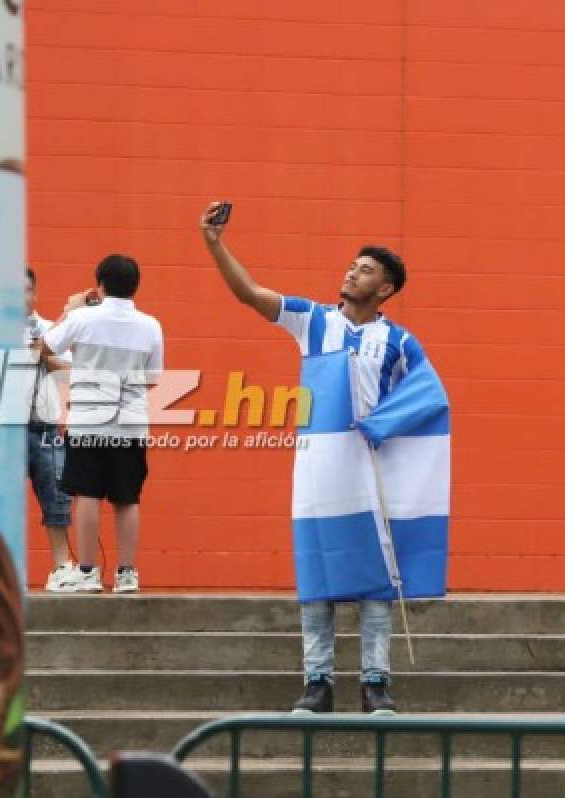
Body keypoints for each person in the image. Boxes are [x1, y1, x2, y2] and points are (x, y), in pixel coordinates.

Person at [200, 202, 430, 715]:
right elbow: (249, 294)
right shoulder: (313, 321)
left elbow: (426, 399)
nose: (352, 271)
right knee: (318, 574)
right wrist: (215, 244)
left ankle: (375, 682)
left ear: (386, 289)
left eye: (366, 269)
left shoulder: (401, 341)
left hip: (373, 473)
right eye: (353, 265)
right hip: (318, 470)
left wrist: (384, 424)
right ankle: (317, 682)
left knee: (376, 580)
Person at [38, 254, 164, 594]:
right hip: (131, 423)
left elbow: (42, 347)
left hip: (88, 420)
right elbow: (153, 377)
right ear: (135, 286)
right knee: (127, 498)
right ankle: (126, 574)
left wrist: (73, 307)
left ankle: (88, 572)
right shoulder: (151, 325)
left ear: (101, 284)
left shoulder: (81, 318)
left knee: (88, 493)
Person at [24, 267, 77, 591]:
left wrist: (44, 353)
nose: (21, 296)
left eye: (27, 289)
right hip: (1, 430)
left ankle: (61, 568)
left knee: (56, 498)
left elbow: (73, 370)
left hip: (44, 426)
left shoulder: (50, 331)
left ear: (36, 293)